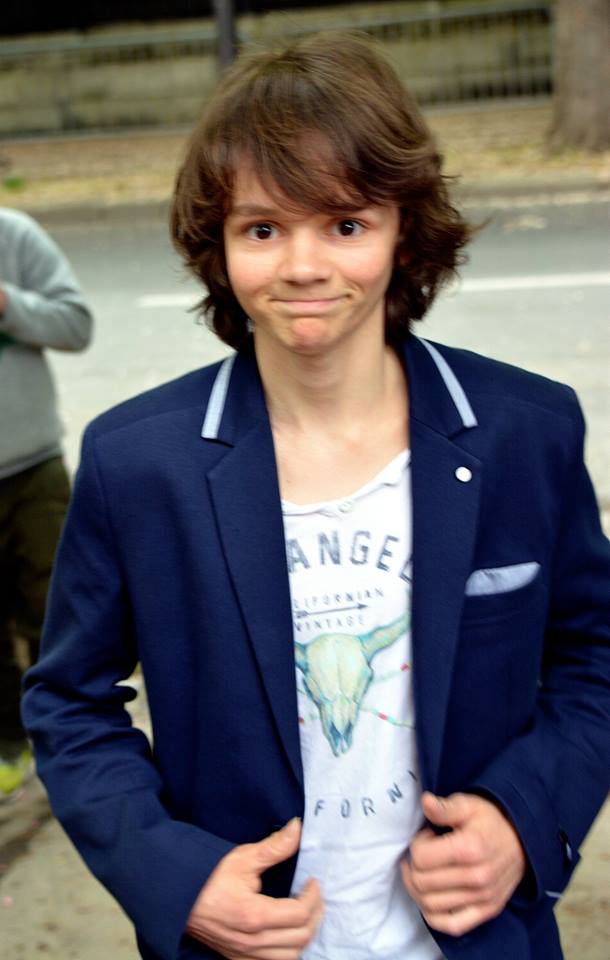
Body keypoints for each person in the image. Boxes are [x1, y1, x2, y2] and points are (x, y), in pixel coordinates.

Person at [22, 32, 609, 960]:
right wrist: (175, 878)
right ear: (218, 246)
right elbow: (69, 700)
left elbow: (594, 655)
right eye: (263, 229)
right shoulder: (139, 463)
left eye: (345, 224)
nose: (303, 266)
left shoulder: (522, 432)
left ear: (404, 231)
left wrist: (524, 818)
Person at [0, 207, 93, 799]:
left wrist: (8, 303)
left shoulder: (13, 235)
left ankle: (71, 749)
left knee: (60, 620)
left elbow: (75, 326)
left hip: (31, 472)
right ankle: (10, 746)